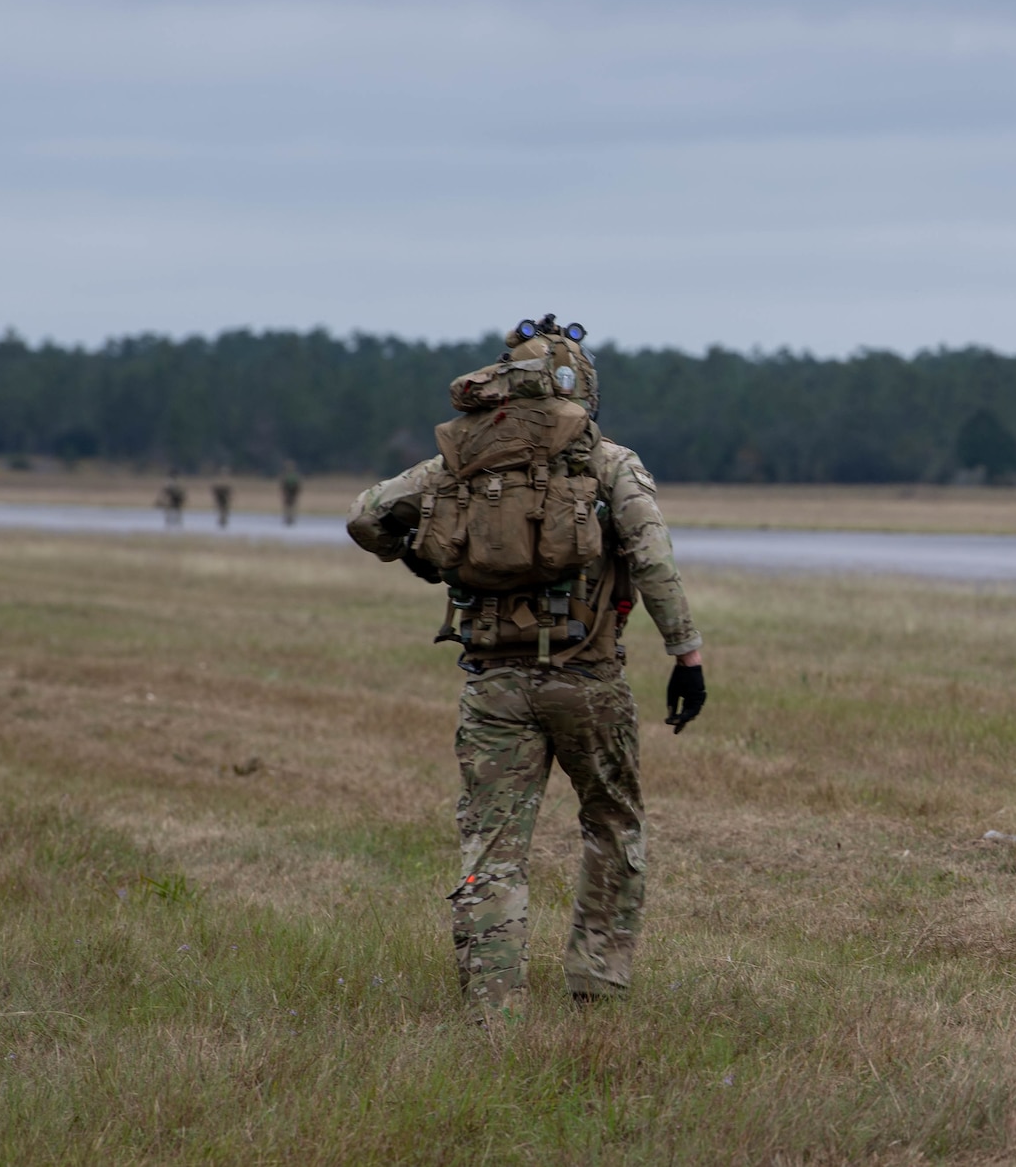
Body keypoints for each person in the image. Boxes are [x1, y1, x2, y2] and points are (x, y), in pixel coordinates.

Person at [348, 315, 707, 1016]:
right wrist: (685, 654)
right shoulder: (608, 462)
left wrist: (421, 558)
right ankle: (596, 983)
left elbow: (367, 517)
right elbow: (653, 559)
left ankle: (492, 1006)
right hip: (588, 678)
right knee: (611, 822)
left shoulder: (458, 464)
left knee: (494, 844)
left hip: (493, 684)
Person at [280, 462, 302, 526]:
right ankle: (288, 517)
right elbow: (283, 485)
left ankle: (291, 517)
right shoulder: (287, 475)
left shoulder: (293, 476)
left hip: (292, 492)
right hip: (288, 492)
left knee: (291, 505)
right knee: (288, 506)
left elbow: (297, 485)